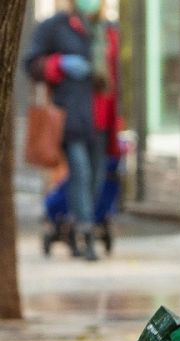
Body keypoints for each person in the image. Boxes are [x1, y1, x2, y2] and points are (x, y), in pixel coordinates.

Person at [25, 0, 121, 261]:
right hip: (71, 117)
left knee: (97, 178)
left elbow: (115, 76)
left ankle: (76, 226)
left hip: (103, 119)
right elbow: (31, 63)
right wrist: (59, 64)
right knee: (80, 173)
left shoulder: (109, 30)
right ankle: (86, 234)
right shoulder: (55, 27)